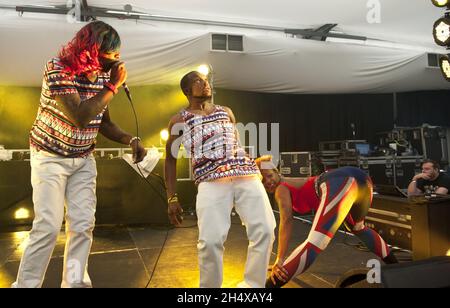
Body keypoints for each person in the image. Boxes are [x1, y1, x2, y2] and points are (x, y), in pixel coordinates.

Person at [13, 21, 146, 288]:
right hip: (49, 157)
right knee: (48, 227)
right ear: (93, 49)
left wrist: (130, 139)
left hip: (83, 159)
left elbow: (103, 122)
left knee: (83, 225)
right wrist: (113, 87)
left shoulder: (101, 78)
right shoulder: (57, 69)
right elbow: (80, 117)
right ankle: (26, 285)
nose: (117, 61)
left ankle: (75, 283)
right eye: (113, 54)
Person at [164, 71, 276, 288]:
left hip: (245, 175)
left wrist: (259, 164)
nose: (205, 83)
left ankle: (253, 286)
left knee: (265, 229)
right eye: (198, 81)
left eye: (205, 80)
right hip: (210, 180)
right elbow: (170, 160)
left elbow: (235, 146)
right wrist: (171, 197)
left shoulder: (227, 112)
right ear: (187, 90)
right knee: (211, 241)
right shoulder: (179, 120)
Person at [255, 156, 398, 288]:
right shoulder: (289, 180)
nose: (268, 181)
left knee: (315, 242)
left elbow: (286, 221)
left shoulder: (281, 189)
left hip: (340, 182)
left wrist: (280, 259)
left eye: (269, 176)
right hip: (363, 181)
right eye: (263, 180)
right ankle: (398, 268)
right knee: (357, 227)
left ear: (277, 172)